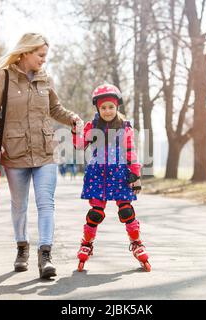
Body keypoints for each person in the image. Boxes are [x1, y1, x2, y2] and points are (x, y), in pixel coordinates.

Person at [0, 33, 83, 279]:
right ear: (26, 52)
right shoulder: (3, 77)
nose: (44, 61)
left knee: (46, 203)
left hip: (45, 151)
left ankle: (45, 255)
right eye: (40, 55)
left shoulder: (44, 78)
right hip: (14, 153)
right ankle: (22, 248)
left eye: (45, 56)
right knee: (19, 205)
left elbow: (55, 109)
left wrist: (72, 118)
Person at [71, 84, 151, 272]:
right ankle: (87, 244)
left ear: (117, 108)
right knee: (95, 213)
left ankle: (137, 242)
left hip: (120, 175)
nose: (107, 111)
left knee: (126, 211)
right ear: (98, 108)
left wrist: (135, 175)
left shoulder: (125, 128)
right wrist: (75, 131)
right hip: (98, 175)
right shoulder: (92, 126)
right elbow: (80, 146)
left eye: (111, 107)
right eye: (103, 107)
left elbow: (131, 152)